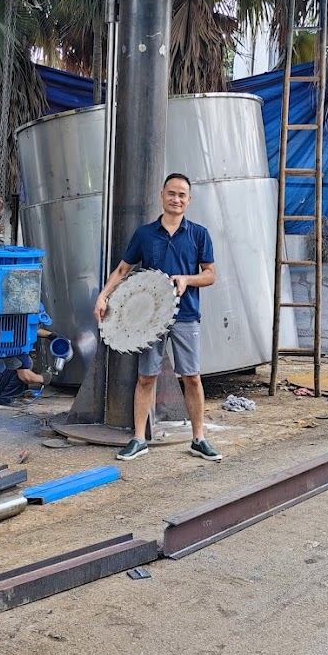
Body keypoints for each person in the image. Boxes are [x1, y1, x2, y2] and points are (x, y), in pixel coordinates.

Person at [93, 172, 219, 462]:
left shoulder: (199, 234)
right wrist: (103, 296)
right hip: (148, 321)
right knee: (146, 377)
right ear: (162, 196)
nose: (176, 199)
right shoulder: (145, 234)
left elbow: (210, 274)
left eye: (182, 195)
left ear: (189, 200)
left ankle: (199, 439)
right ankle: (139, 439)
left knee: (192, 377)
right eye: (171, 193)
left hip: (187, 314)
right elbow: (123, 270)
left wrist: (187, 279)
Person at [0, 327, 53, 409]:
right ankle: (5, 400)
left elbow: (31, 328)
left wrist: (51, 335)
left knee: (21, 363)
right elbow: (25, 377)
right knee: (21, 367)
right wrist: (43, 378)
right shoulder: (18, 344)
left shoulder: (5, 330)